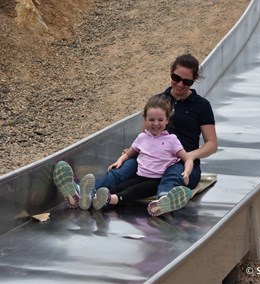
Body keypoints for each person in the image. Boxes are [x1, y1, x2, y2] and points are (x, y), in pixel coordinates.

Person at [53, 53, 218, 215]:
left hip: (181, 160)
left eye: (186, 81)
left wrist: (189, 156)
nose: (180, 84)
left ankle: (165, 200)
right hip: (151, 157)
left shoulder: (201, 105)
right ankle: (83, 192)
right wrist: (131, 151)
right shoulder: (159, 100)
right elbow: (145, 134)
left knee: (174, 174)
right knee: (123, 171)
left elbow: (212, 144)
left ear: (194, 80)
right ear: (170, 72)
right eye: (176, 78)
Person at [91, 94, 193, 210]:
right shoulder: (142, 137)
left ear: (167, 120)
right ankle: (94, 198)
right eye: (151, 120)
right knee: (119, 187)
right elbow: (130, 153)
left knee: (133, 191)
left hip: (156, 180)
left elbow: (187, 158)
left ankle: (109, 200)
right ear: (145, 119)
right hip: (139, 176)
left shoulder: (171, 140)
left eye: (160, 120)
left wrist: (186, 172)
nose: (156, 123)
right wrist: (119, 161)